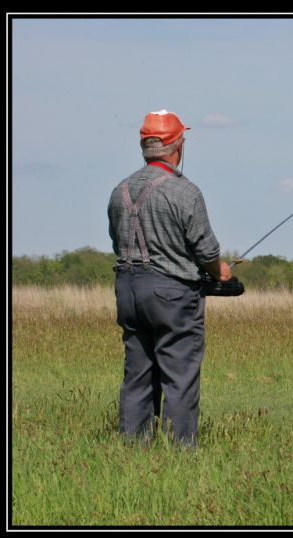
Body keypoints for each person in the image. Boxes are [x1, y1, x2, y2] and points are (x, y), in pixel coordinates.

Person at [108, 109, 232, 446]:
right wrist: (220, 272)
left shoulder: (120, 190)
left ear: (144, 145)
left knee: (137, 375)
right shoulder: (185, 191)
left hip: (128, 291)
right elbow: (206, 252)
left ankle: (133, 448)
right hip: (172, 295)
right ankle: (180, 451)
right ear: (177, 144)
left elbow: (117, 240)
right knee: (180, 375)